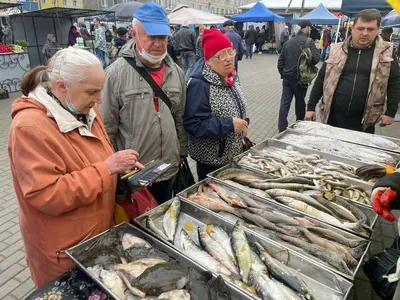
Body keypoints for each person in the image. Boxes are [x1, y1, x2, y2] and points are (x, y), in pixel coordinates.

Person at [8, 47, 143, 287]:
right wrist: (106, 169)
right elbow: (47, 195)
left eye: (100, 91)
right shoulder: (29, 127)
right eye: (91, 92)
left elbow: (98, 154)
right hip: (64, 248)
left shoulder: (83, 108)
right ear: (61, 87)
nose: (99, 100)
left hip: (94, 235)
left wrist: (121, 168)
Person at [99, 3, 188, 204]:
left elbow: (179, 117)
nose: (158, 43)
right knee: (137, 227)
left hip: (169, 168)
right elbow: (106, 129)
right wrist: (115, 167)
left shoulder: (177, 73)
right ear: (134, 34)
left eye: (163, 37)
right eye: (151, 37)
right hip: (135, 174)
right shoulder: (114, 75)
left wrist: (182, 152)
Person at [306, 9, 400, 134]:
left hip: (365, 122)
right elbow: (321, 78)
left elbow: (395, 83)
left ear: (378, 30)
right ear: (353, 28)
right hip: (332, 118)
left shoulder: (386, 52)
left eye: (370, 29)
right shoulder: (336, 50)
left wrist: (391, 112)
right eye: (360, 28)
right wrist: (311, 107)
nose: (365, 33)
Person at [184, 29, 248, 180]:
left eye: (230, 52)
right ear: (208, 61)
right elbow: (193, 124)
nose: (228, 59)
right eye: (220, 55)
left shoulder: (231, 76)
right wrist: (229, 124)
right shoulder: (199, 84)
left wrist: (243, 123)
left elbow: (234, 105)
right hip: (212, 161)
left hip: (231, 154)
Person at [277, 20, 319, 133]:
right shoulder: (309, 42)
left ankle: (281, 128)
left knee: (284, 103)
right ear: (307, 29)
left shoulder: (288, 42)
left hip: (287, 78)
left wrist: (284, 74)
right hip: (301, 79)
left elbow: (280, 62)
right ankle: (299, 125)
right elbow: (316, 59)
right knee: (300, 102)